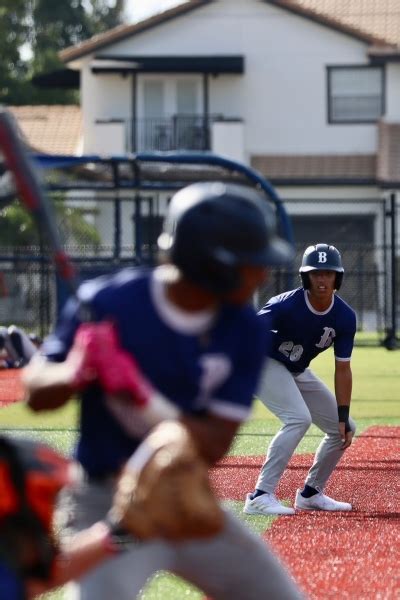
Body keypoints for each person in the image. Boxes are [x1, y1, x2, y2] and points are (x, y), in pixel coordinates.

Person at [23, 182, 304, 599]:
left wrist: (140, 395)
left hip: (182, 496)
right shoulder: (107, 302)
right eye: (251, 263)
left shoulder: (244, 328)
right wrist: (73, 370)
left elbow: (213, 444)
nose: (262, 272)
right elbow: (35, 390)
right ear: (213, 265)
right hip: (109, 507)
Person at [244, 243, 356, 517]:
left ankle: (311, 494)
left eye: (328, 273)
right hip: (264, 362)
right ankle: (260, 496)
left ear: (337, 278)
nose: (322, 279)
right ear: (305, 277)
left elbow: (343, 369)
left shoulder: (344, 317)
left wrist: (342, 413)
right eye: (316, 273)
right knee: (298, 418)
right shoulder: (285, 305)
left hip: (295, 369)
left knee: (344, 429)